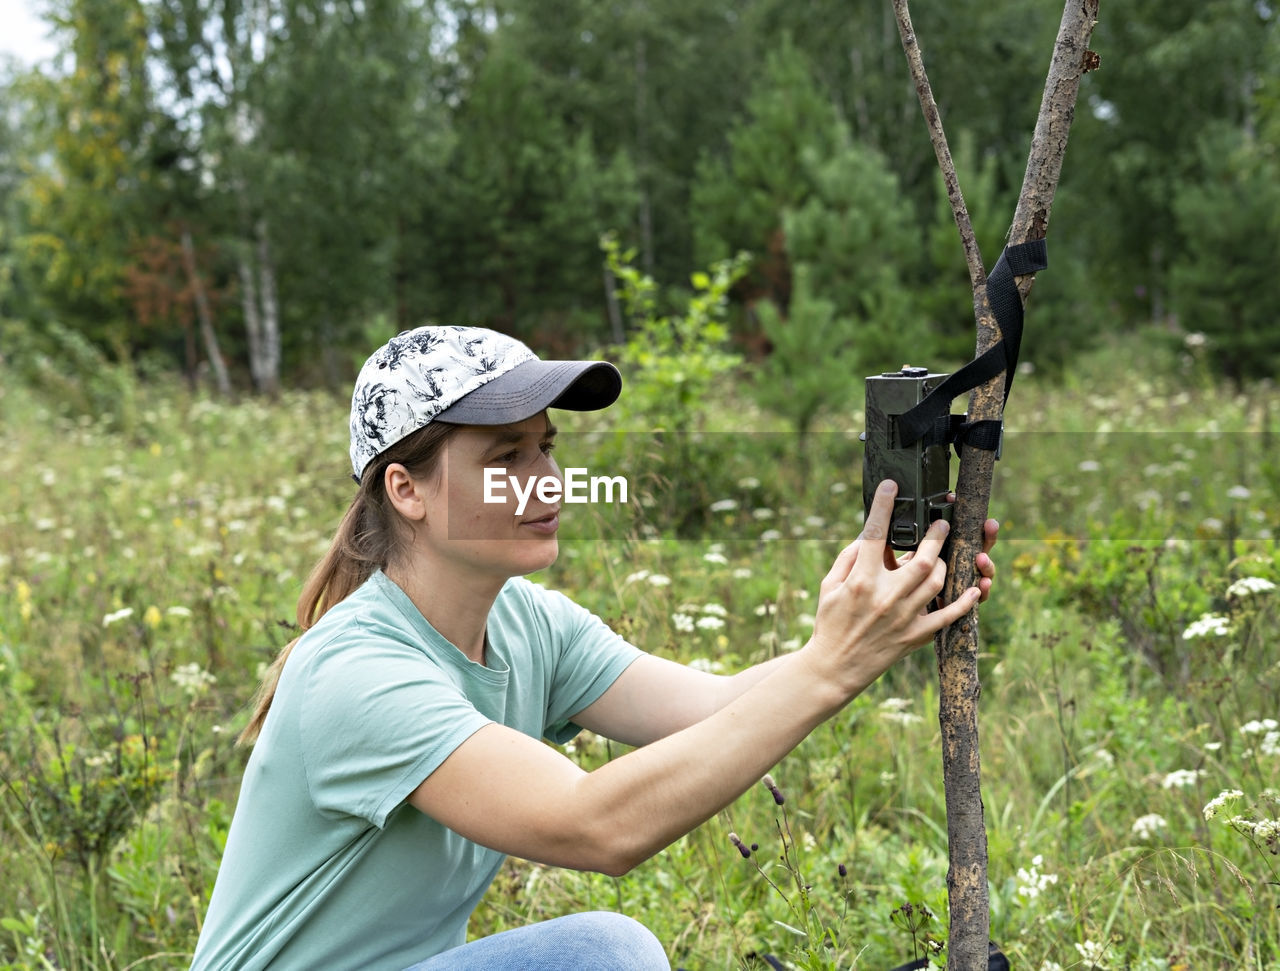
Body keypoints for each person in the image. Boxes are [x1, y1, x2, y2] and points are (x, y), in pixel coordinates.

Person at [189, 325, 998, 971]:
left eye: (546, 448)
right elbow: (594, 825)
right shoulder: (356, 673)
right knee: (608, 955)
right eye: (505, 457)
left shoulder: (526, 623)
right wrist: (832, 665)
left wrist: (866, 620)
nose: (546, 479)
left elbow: (718, 709)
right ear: (407, 490)